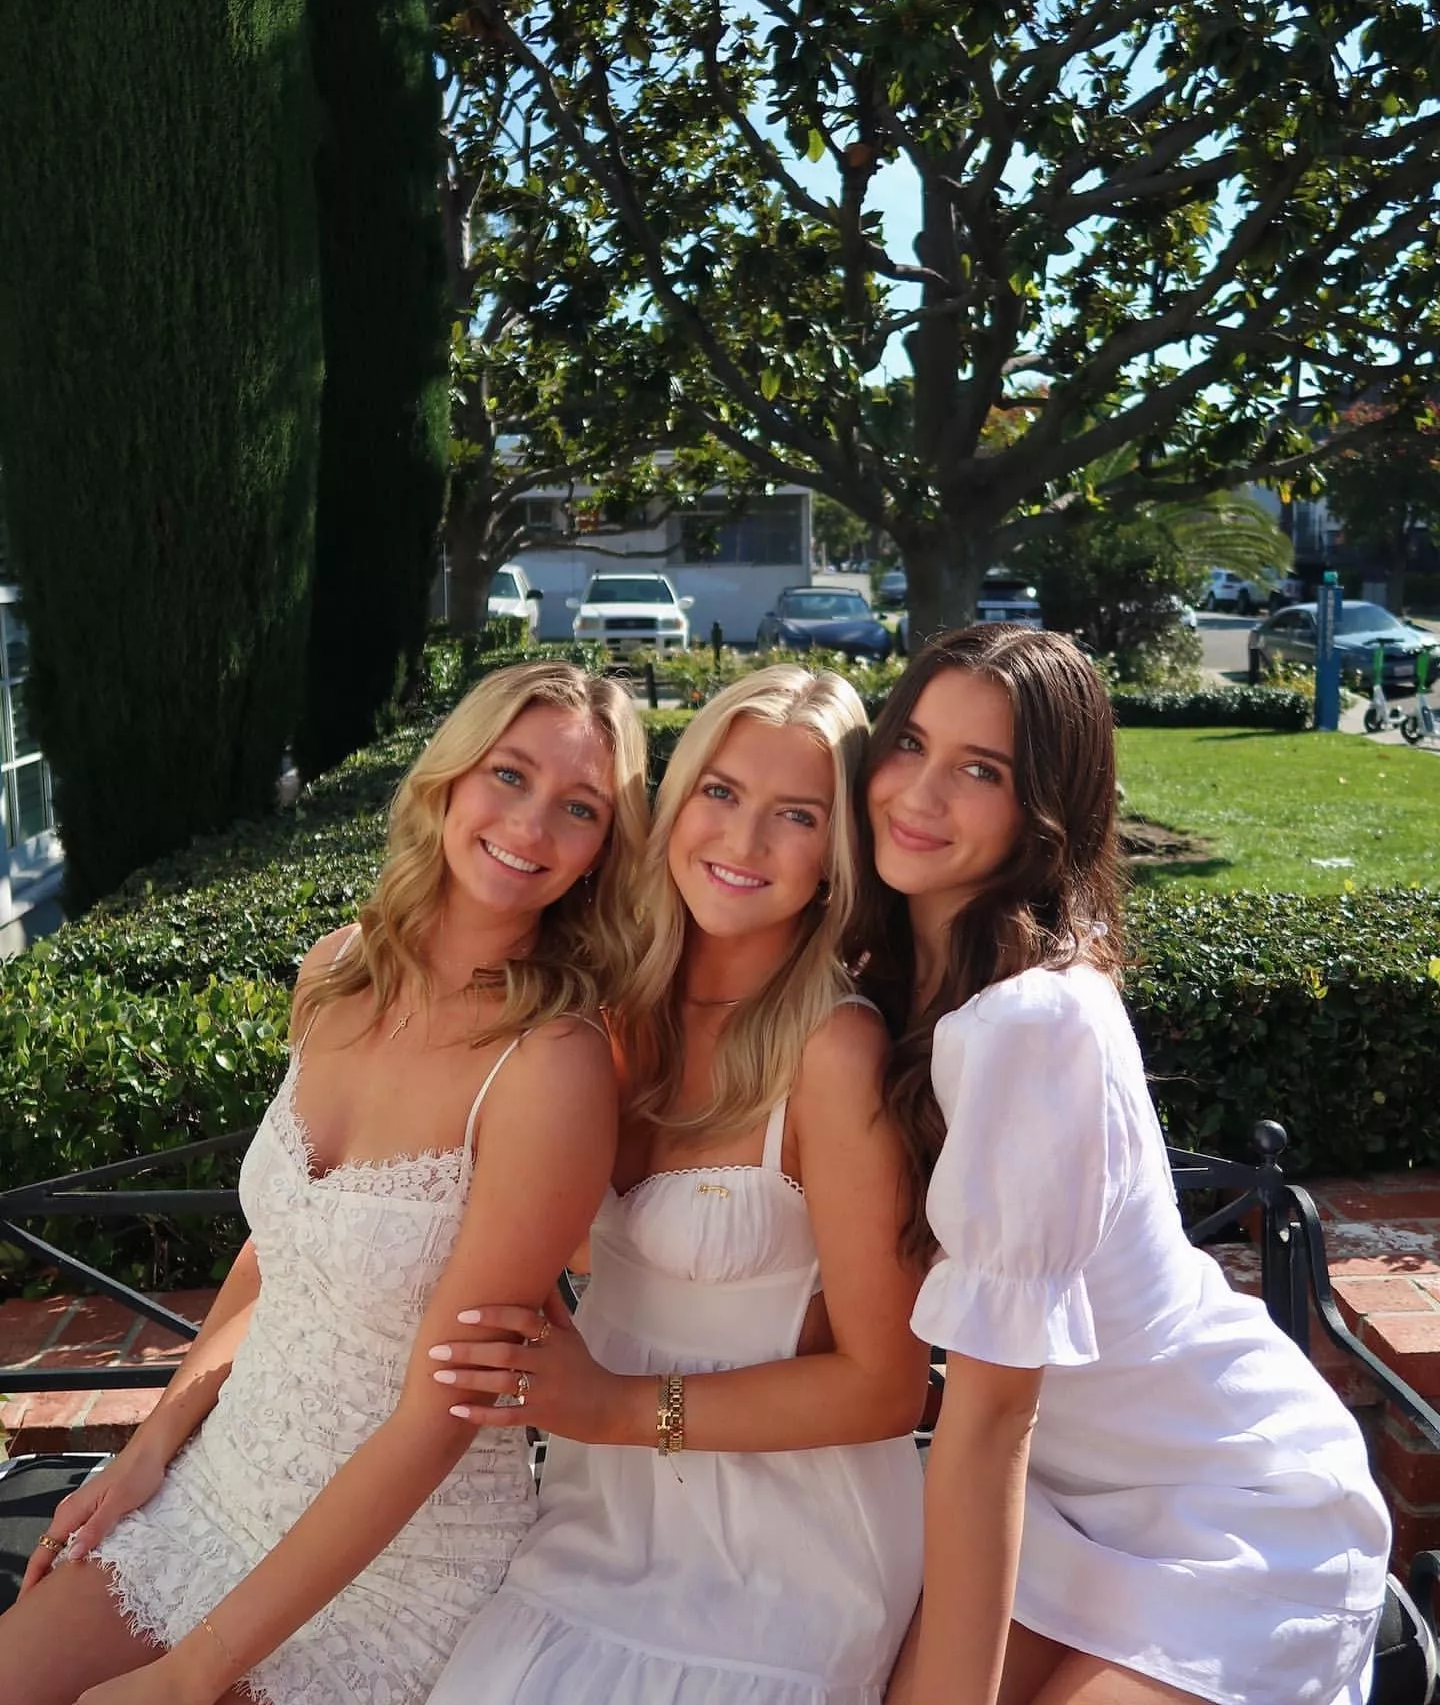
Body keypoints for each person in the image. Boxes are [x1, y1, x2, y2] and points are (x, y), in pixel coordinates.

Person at [0, 661, 649, 1705]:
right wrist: (149, 1448)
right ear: (449, 778)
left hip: (391, 1566)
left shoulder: (552, 1063)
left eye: (581, 808)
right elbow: (280, 1255)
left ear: (602, 853)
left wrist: (190, 1676)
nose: (532, 825)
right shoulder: (336, 970)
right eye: (510, 774)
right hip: (216, 1490)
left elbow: (442, 1413)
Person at [866, 625, 1390, 1705]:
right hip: (1062, 1495)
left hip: (1234, 1501)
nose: (919, 792)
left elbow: (992, 1413)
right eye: (909, 743)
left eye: (981, 770)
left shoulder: (1034, 1020)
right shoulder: (890, 981)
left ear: (1045, 810)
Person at [422, 665, 929, 1705]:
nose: (743, 841)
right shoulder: (600, 1015)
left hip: (782, 1557)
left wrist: (616, 1407)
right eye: (720, 792)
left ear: (835, 859)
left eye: (797, 816)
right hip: (590, 1521)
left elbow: (888, 1386)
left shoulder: (832, 1053)